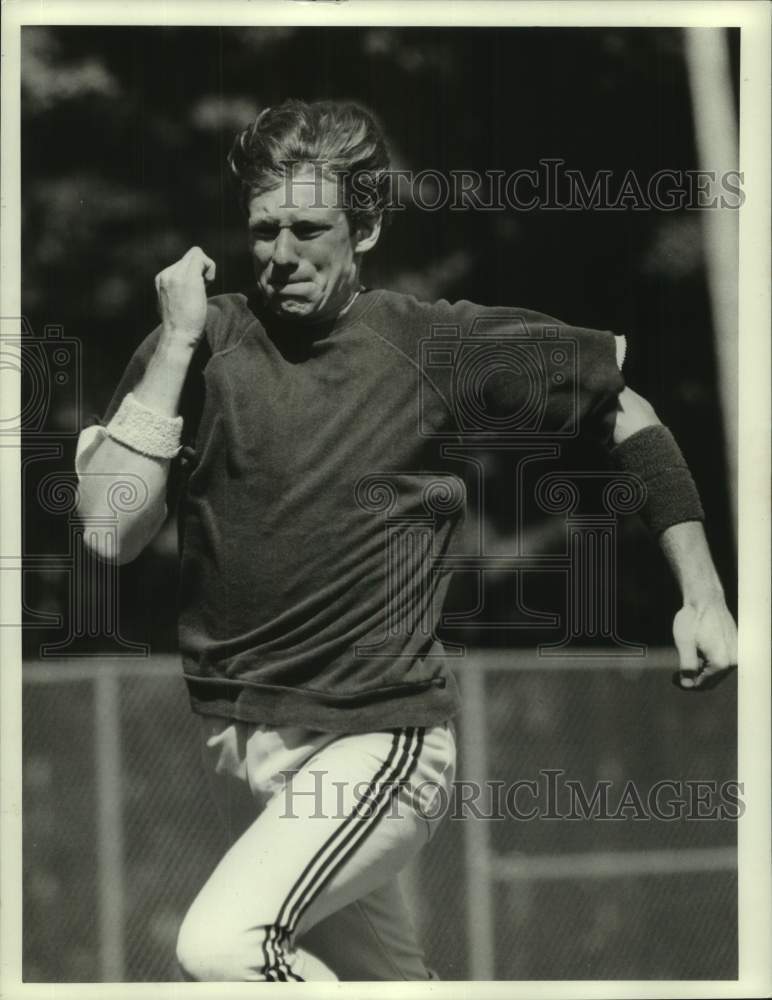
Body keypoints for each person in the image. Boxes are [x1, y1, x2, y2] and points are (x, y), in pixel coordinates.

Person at [74, 99, 737, 982]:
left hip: (379, 742)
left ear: (368, 226)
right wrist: (177, 344)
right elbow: (111, 528)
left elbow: (627, 411)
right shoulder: (202, 345)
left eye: (309, 227)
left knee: (223, 948)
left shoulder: (435, 346)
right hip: (252, 754)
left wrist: (703, 595)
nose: (281, 254)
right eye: (263, 229)